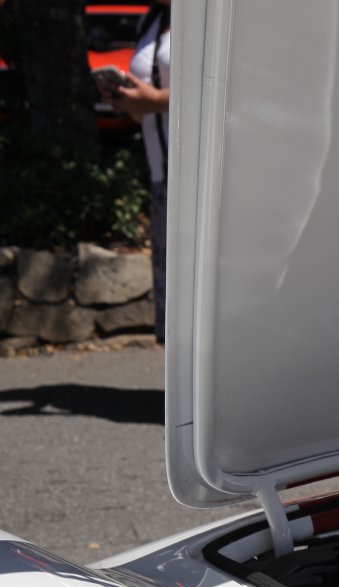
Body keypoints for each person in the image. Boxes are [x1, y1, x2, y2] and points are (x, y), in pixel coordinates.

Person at [104, 1, 171, 346]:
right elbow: (144, 110)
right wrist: (129, 102)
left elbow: (225, 87)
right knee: (170, 283)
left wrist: (157, 99)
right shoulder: (152, 18)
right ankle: (176, 374)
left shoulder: (208, 15)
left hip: (200, 173)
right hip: (160, 167)